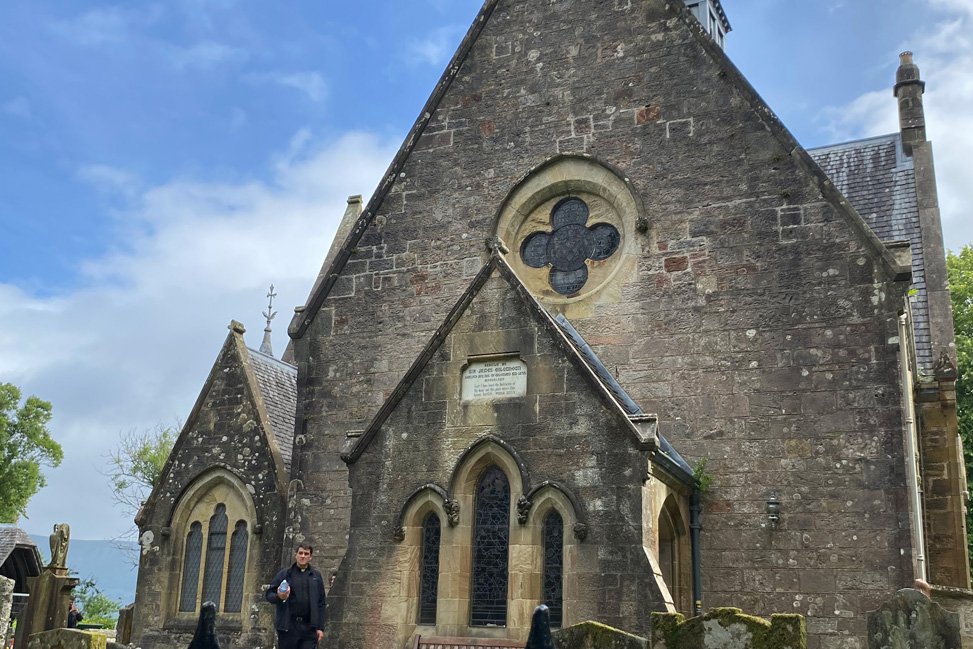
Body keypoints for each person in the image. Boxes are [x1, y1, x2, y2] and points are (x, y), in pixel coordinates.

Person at [265, 545, 327, 649]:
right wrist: (279, 596)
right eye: (301, 553)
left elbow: (321, 603)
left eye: (306, 554)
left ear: (310, 557)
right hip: (288, 626)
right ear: (296, 555)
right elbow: (269, 594)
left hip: (309, 627)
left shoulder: (316, 577)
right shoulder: (284, 574)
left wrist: (320, 627)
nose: (303, 556)